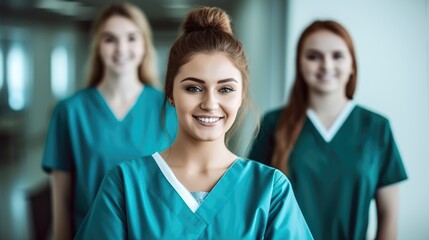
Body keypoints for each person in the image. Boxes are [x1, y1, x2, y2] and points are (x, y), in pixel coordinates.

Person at [74, 6, 313, 239]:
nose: (210, 103)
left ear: (241, 96)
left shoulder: (270, 189)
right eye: (193, 88)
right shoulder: (124, 184)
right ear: (170, 94)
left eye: (226, 89)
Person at [248, 20, 408, 240]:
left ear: (352, 64)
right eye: (314, 56)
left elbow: (388, 216)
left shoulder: (377, 127)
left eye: (337, 56)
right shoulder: (274, 123)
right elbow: (255, 203)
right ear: (300, 65)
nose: (326, 65)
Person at [41, 2, 177, 239]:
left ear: (145, 44)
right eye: (110, 39)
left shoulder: (169, 108)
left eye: (131, 38)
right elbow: (61, 200)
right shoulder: (69, 111)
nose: (121, 48)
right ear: (97, 47)